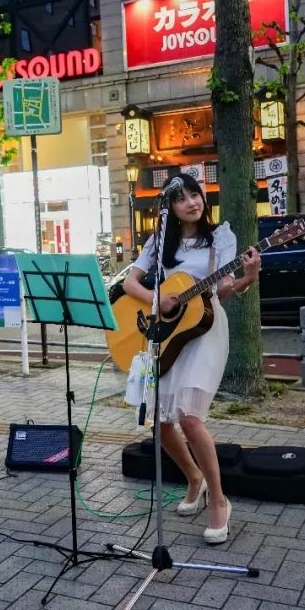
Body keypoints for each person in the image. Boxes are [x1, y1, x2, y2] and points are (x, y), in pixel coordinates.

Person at [122, 173, 261, 545]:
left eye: (195, 194)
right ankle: (193, 478)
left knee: (190, 418)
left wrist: (248, 277)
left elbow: (223, 290)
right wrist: (157, 300)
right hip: (169, 333)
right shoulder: (159, 241)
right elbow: (129, 283)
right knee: (161, 422)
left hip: (206, 329)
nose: (191, 202)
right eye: (181, 198)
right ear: (169, 207)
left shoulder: (221, 239)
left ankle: (219, 500)